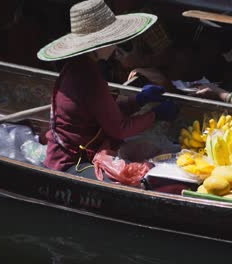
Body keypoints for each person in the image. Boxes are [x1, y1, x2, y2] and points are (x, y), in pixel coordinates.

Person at [37, 0, 178, 180]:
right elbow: (119, 128)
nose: (115, 46)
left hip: (77, 154)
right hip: (71, 163)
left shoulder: (78, 66)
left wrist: (138, 101)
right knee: (136, 180)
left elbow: (106, 114)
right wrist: (155, 115)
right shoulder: (89, 78)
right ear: (100, 44)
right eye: (113, 41)